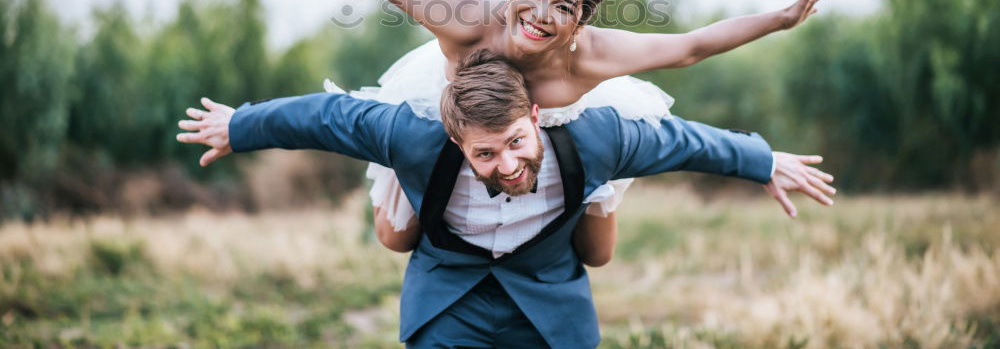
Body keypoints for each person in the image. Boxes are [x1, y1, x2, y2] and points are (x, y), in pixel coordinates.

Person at [244, 0, 832, 262]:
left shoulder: (593, 56)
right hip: (460, 114)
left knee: (597, 254)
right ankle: (416, 185)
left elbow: (691, 47)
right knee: (396, 238)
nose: (543, 17)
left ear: (582, 19)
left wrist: (779, 19)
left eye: (565, 8)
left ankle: (579, 203)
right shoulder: (469, 23)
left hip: (557, 133)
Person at [177, 50, 835, 347]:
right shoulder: (414, 138)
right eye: (486, 154)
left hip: (549, 303)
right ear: (459, 142)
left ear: (534, 116)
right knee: (396, 230)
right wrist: (240, 125)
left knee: (598, 246)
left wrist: (762, 160)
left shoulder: (592, 138)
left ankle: (597, 205)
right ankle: (396, 205)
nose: (509, 163)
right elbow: (327, 118)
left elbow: (682, 141)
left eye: (518, 142)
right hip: (448, 301)